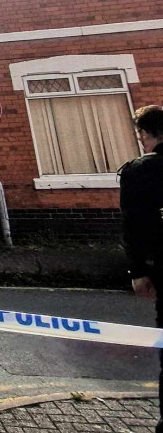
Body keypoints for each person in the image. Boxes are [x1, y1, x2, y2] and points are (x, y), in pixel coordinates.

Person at [118, 105, 163, 433]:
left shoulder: (142, 170)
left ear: (149, 135)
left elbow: (135, 226)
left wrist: (138, 272)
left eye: (142, 136)